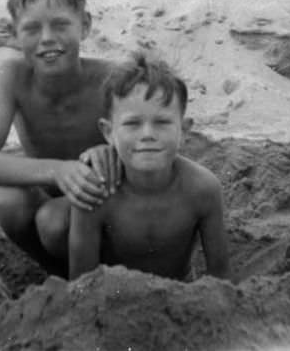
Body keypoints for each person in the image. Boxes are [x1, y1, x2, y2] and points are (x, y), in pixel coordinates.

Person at [0, 0, 120, 277]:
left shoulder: (111, 79)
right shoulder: (13, 77)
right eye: (32, 29)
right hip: (53, 189)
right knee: (8, 201)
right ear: (14, 34)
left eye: (61, 25)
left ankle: (96, 274)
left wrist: (110, 157)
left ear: (85, 26)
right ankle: (56, 274)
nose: (47, 39)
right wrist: (58, 171)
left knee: (53, 222)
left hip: (104, 198)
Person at [69, 51, 230, 281]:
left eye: (162, 122)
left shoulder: (203, 189)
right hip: (113, 300)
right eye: (133, 123)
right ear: (108, 132)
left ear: (184, 130)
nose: (147, 135)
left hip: (182, 298)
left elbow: (221, 277)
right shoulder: (94, 192)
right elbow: (81, 285)